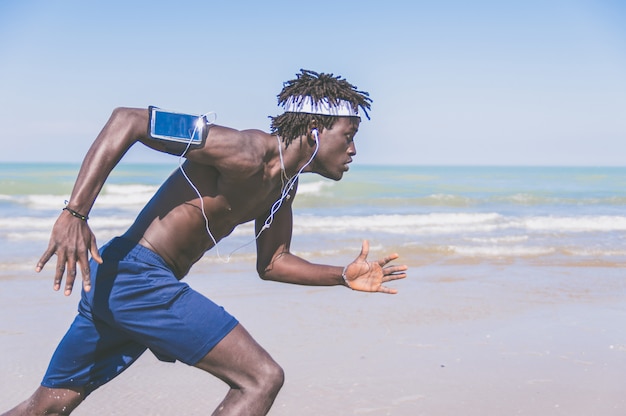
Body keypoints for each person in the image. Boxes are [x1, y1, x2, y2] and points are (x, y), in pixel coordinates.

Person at [3, 69, 407, 416]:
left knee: (47, 406)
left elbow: (273, 263)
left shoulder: (284, 186)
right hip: (138, 275)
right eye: (349, 135)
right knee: (261, 379)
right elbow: (127, 119)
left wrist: (340, 275)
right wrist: (75, 213)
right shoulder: (244, 151)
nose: (354, 149)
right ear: (316, 130)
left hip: (121, 282)